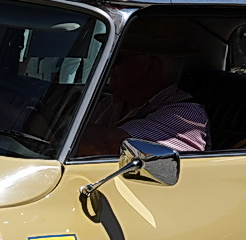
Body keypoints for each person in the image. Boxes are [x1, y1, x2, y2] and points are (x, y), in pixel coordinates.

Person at [79, 20, 208, 154]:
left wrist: (58, 126)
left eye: (116, 58)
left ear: (151, 67)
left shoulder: (185, 115)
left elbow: (107, 146)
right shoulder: (112, 103)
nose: (109, 66)